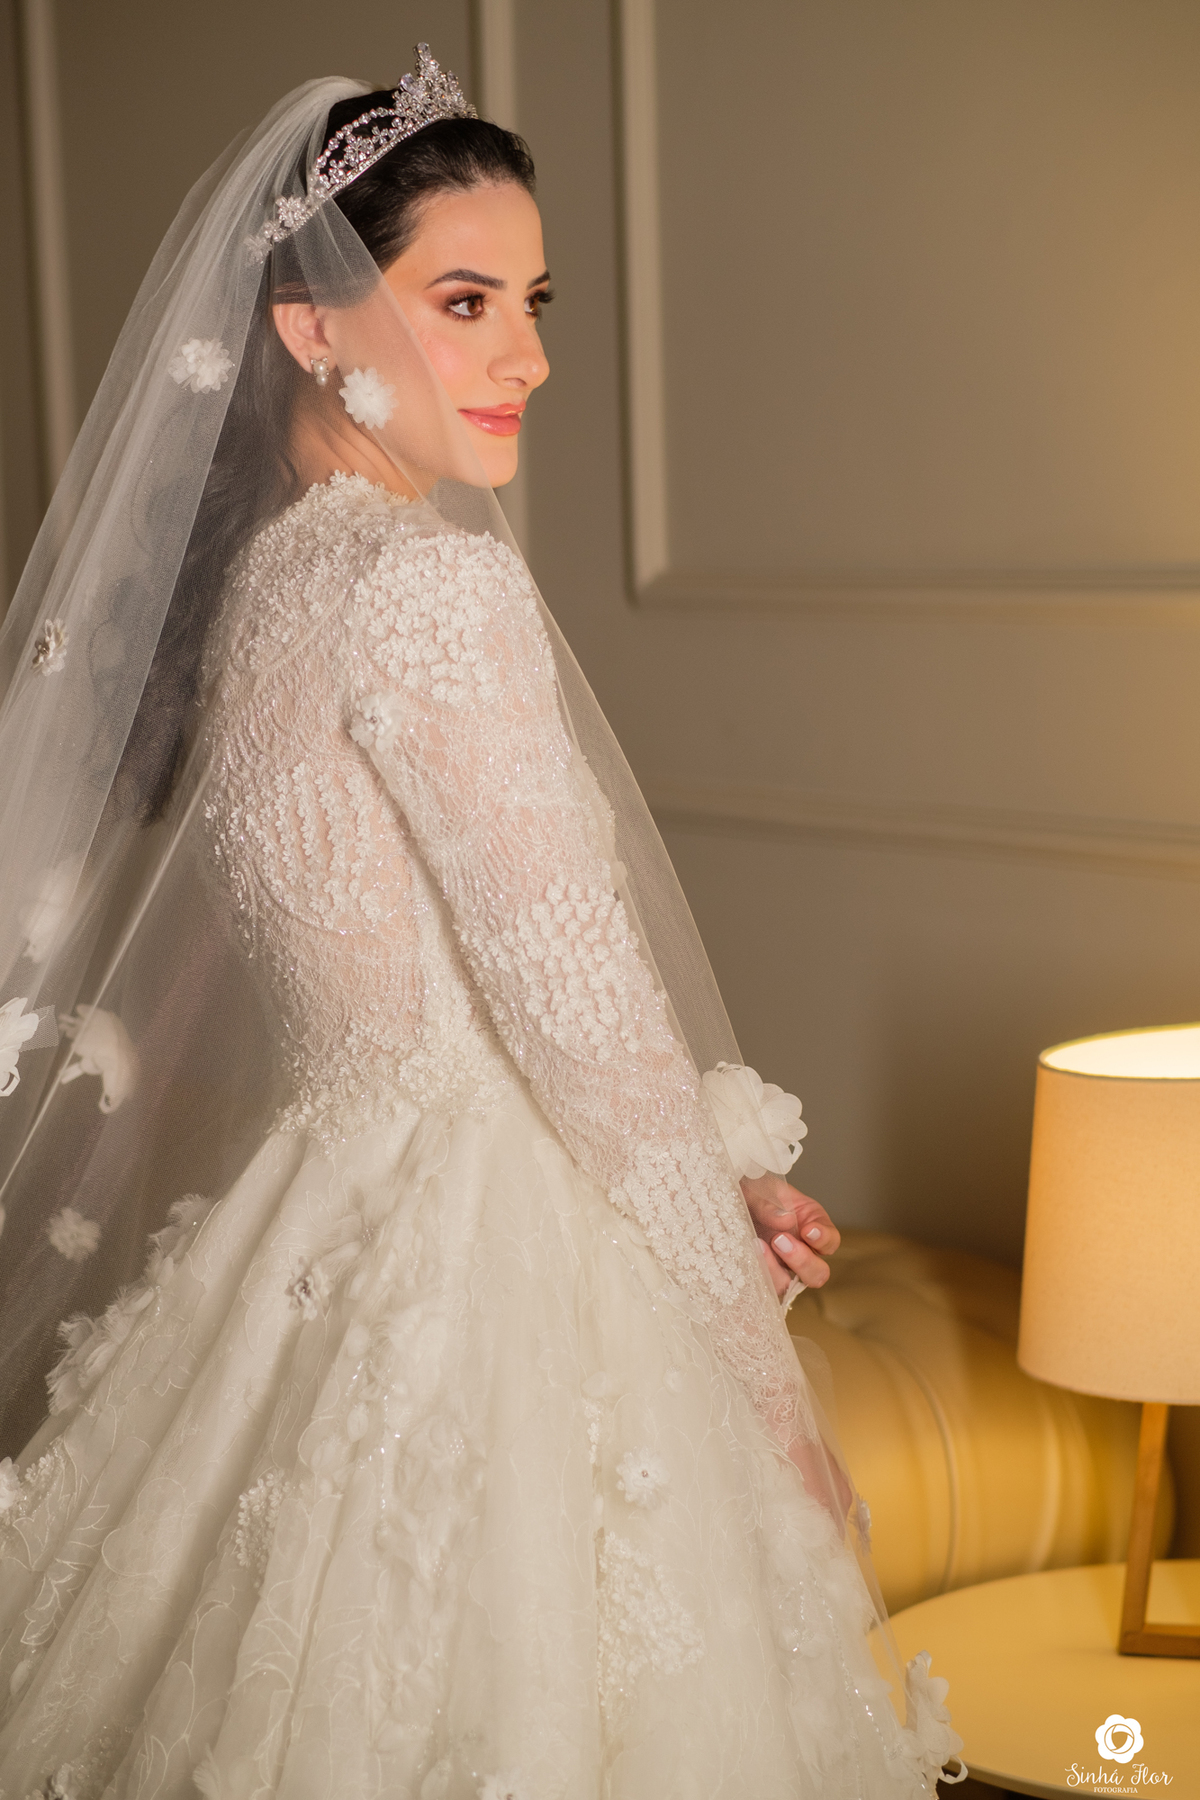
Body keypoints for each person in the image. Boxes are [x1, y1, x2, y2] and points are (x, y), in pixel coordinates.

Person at [0, 49, 962, 1799]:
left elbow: (450, 1008)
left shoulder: (269, 587)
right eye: (465, 302)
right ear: (310, 327)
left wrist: (711, 1192)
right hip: (489, 1284)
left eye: (534, 301)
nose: (528, 355)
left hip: (325, 1226)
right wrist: (773, 1417)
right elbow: (585, 1040)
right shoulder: (426, 583)